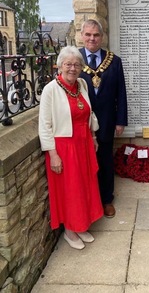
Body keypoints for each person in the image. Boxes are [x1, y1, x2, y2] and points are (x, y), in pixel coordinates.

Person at [39, 46, 103, 249]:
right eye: (68, 64)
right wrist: (53, 154)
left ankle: (81, 224)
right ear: (59, 66)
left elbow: (89, 114)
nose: (73, 68)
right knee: (70, 189)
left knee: (84, 185)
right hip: (64, 147)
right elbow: (45, 125)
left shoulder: (82, 84)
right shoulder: (51, 89)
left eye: (77, 64)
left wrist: (93, 136)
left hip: (83, 142)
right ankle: (69, 230)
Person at [79, 19, 128, 218]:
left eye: (96, 35)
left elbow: (121, 93)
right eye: (88, 34)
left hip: (107, 120)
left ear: (102, 37)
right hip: (81, 122)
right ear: (82, 36)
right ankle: (88, 201)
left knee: (105, 160)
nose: (92, 38)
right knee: (84, 163)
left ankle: (107, 200)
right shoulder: (74, 58)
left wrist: (120, 120)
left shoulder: (113, 60)